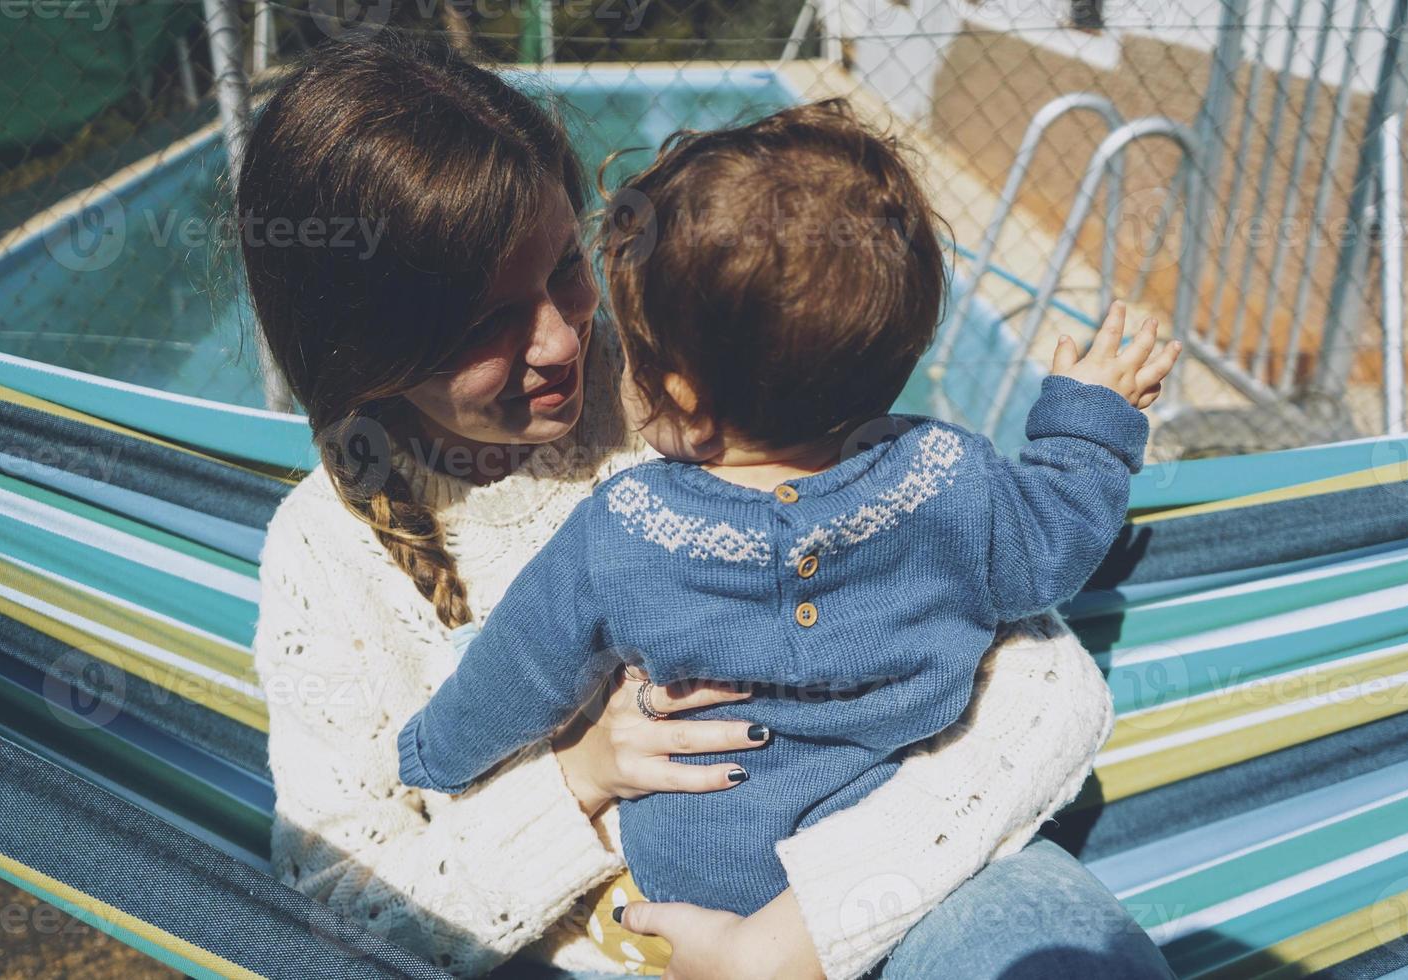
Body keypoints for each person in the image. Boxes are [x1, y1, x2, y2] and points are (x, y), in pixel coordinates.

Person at [245, 29, 1175, 980]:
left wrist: (799, 936)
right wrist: (577, 783)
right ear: (363, 347)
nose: (564, 342)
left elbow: (1045, 690)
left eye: (568, 266)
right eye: (486, 322)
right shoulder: (325, 558)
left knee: (1062, 949)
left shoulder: (721, 364)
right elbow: (338, 913)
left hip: (896, 903)